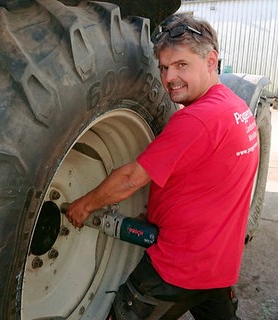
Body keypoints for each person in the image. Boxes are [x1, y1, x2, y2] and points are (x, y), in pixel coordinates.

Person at [66, 13, 259, 320]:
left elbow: (130, 178)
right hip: (219, 264)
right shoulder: (236, 109)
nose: (169, 78)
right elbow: (207, 180)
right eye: (164, 67)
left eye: (182, 65)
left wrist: (83, 206)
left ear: (211, 61)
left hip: (179, 269)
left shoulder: (195, 120)